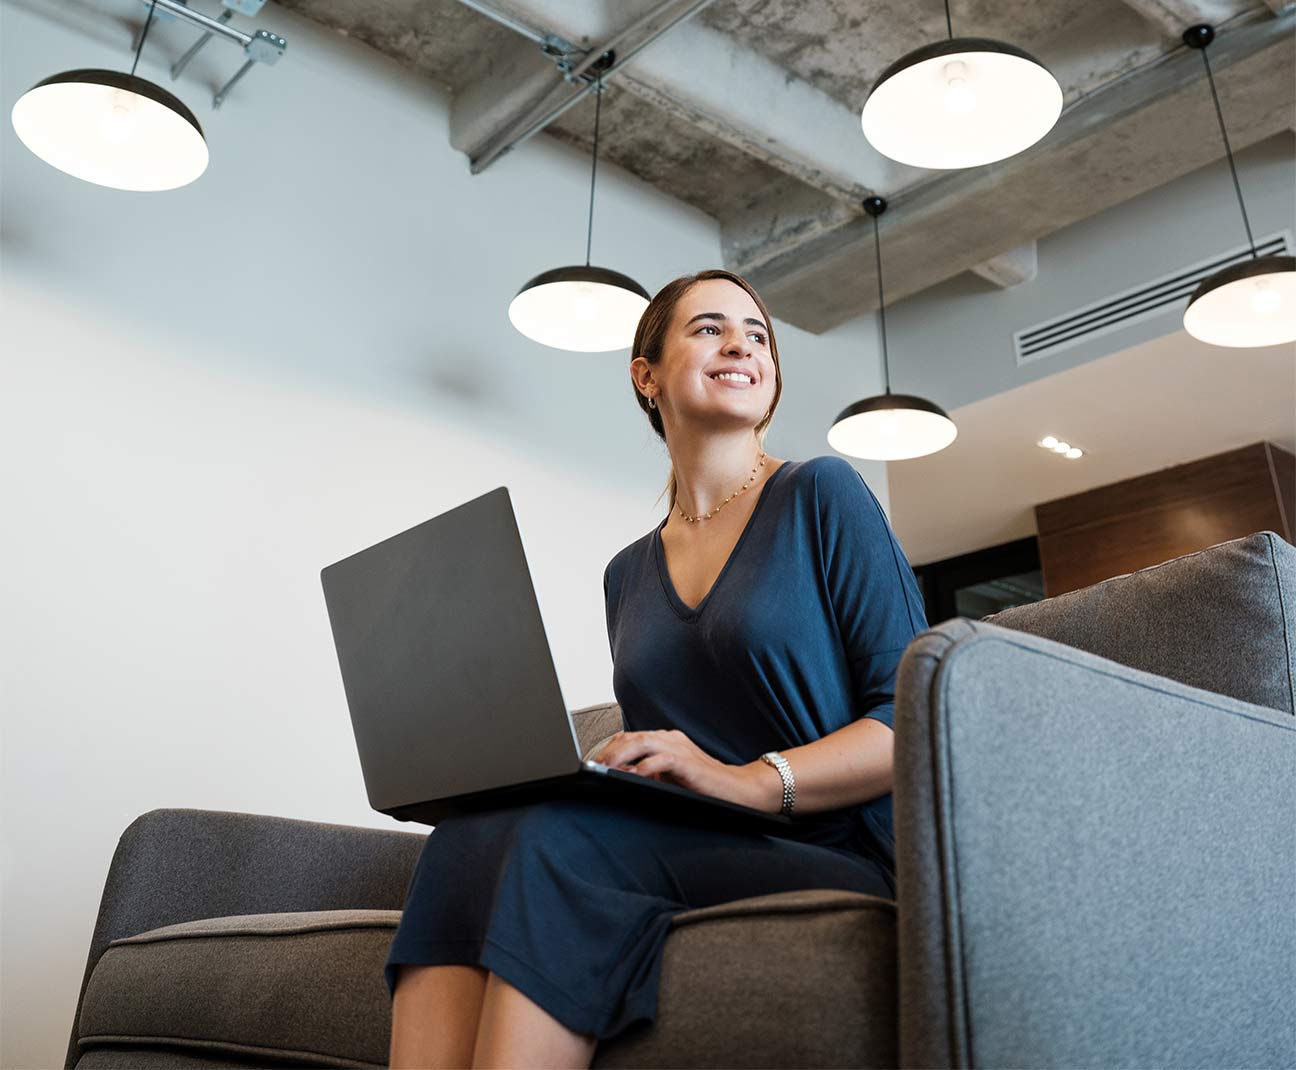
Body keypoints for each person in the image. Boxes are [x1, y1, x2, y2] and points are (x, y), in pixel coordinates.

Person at [385, 269, 929, 1069]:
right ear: (647, 375)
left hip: (835, 847)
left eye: (757, 334)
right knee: (463, 840)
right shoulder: (626, 575)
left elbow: (909, 723)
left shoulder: (823, 494)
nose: (741, 343)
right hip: (702, 838)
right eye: (709, 329)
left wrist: (744, 779)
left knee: (555, 841)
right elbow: (666, 754)